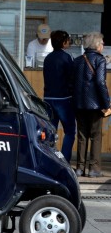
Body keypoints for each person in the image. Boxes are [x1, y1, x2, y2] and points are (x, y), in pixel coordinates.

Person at [73, 32, 110, 177]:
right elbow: (100, 83)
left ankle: (79, 168)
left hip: (79, 104)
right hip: (95, 105)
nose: (103, 45)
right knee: (95, 136)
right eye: (102, 43)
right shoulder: (100, 60)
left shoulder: (77, 60)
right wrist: (106, 103)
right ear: (96, 45)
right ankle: (94, 169)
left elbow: (72, 83)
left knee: (81, 136)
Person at [43, 30, 76, 163]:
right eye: (68, 40)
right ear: (63, 43)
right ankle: (64, 161)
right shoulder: (67, 58)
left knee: (51, 131)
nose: (69, 42)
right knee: (69, 131)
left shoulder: (48, 58)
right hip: (63, 99)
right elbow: (71, 79)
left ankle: (49, 160)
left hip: (48, 99)